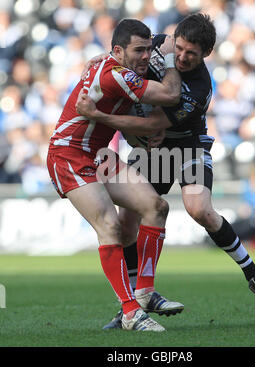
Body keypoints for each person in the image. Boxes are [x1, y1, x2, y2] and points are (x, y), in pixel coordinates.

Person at [77, 13, 255, 330]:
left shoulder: (199, 88)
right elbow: (121, 56)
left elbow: (154, 124)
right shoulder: (156, 43)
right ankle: (134, 304)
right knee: (127, 219)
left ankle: (254, 275)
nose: (185, 57)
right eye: (182, 49)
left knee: (200, 209)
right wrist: (102, 59)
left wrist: (101, 118)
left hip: (187, 146)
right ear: (174, 40)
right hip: (151, 150)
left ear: (206, 56)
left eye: (193, 54)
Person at [47, 18, 185, 332]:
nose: (146, 57)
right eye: (138, 50)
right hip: (68, 154)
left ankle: (145, 293)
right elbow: (170, 95)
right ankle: (131, 312)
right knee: (109, 224)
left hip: (98, 154)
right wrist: (170, 65)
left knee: (156, 207)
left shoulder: (112, 65)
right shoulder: (114, 76)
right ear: (119, 51)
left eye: (149, 49)